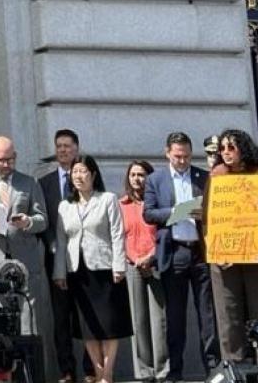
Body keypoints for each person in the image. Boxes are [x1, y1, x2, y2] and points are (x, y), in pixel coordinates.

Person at [0, 135, 55, 383]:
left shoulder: (30, 183)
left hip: (24, 262)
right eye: (1, 160)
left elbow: (43, 219)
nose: (6, 164)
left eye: (11, 159)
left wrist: (28, 222)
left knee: (29, 320)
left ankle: (31, 375)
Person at [143, 131, 219, 381]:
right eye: (178, 156)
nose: (183, 161)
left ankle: (213, 368)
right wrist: (176, 212)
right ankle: (175, 371)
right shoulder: (156, 179)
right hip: (174, 252)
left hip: (200, 252)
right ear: (167, 153)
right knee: (175, 318)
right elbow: (149, 214)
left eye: (186, 156)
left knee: (207, 316)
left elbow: (216, 210)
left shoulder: (203, 177)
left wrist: (203, 213)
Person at [54, 155, 132, 383]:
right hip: (77, 272)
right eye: (74, 172)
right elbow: (60, 241)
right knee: (87, 327)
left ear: (93, 175)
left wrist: (119, 266)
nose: (78, 176)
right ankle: (97, 373)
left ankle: (107, 375)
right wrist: (59, 272)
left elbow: (117, 234)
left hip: (105, 270)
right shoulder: (64, 205)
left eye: (83, 171)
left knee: (109, 325)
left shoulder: (107, 199)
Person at [38, 129, 93, 383]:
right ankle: (67, 371)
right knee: (61, 317)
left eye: (67, 146)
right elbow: (44, 221)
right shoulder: (45, 183)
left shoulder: (88, 179)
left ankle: (91, 368)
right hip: (56, 260)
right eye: (59, 146)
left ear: (77, 149)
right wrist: (52, 244)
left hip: (85, 260)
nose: (63, 150)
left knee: (87, 314)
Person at [207, 129, 258, 365]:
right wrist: (216, 249)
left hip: (256, 257)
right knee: (228, 314)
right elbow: (209, 216)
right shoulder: (217, 175)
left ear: (244, 147)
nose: (226, 152)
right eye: (222, 149)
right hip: (224, 258)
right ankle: (234, 367)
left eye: (231, 147)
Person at [119, 160, 168, 382]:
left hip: (156, 263)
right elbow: (119, 237)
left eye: (142, 174)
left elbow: (164, 234)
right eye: (133, 175)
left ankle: (162, 370)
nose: (137, 179)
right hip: (132, 265)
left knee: (159, 321)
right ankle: (144, 372)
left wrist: (151, 257)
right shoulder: (122, 205)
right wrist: (134, 259)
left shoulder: (157, 203)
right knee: (138, 321)